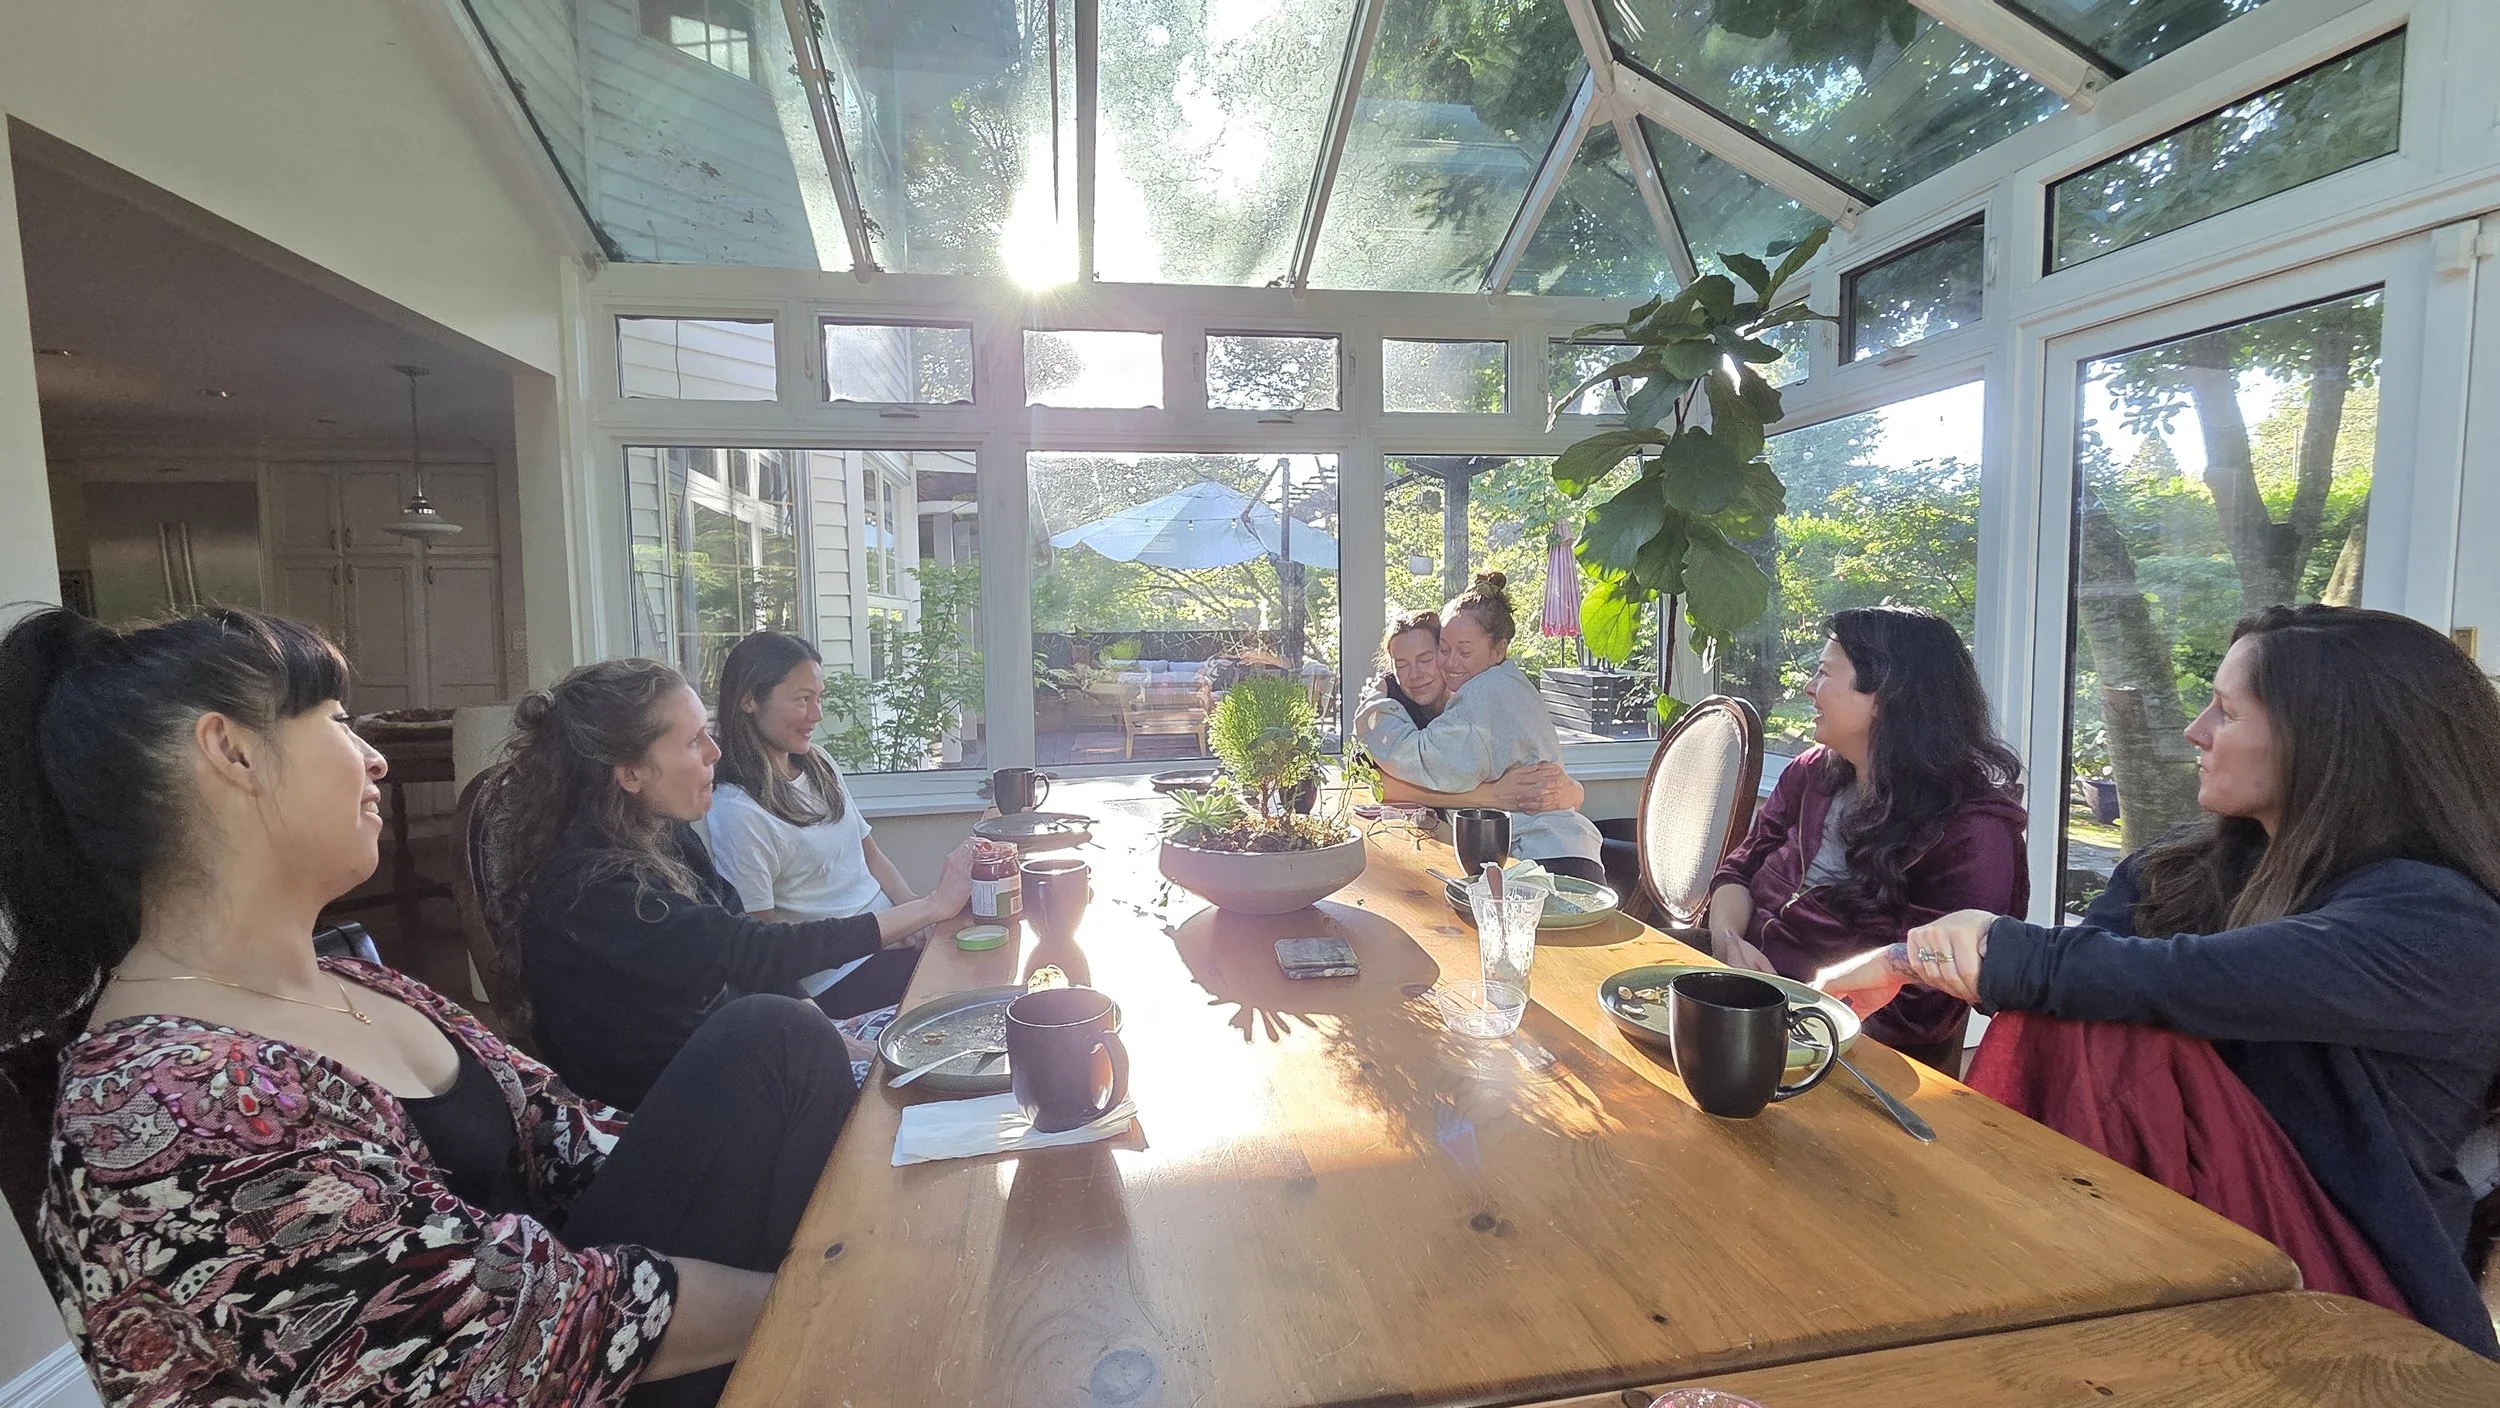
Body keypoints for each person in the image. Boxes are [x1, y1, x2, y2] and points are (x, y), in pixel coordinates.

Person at [2, 607, 839, 1408]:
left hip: (583, 1319)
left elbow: (573, 1140)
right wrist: (822, 1294)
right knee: (775, 1043)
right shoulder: (167, 1098)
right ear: (232, 752)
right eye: (334, 720)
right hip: (537, 1368)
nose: (373, 759)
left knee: (777, 1048)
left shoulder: (360, 985)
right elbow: (496, 1348)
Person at [1821, 604, 2500, 1356]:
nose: (2196, 730)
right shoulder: (2185, 865)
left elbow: (2193, 981)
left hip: (2348, 1278)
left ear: (2335, 742)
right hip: (2161, 1230)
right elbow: (2100, 969)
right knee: (2074, 1003)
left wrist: (1920, 956)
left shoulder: (2441, 921)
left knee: (2090, 1028)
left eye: (2228, 710)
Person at [484, 657, 976, 1111]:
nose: (715, 751)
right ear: (630, 772)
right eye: (693, 741)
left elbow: (745, 948)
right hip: (676, 1109)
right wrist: (933, 906)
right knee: (930, 1091)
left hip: (740, 1053)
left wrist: (837, 1039)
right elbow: (752, 948)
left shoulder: (662, 831)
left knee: (956, 1035)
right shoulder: (589, 890)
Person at [1705, 607, 2026, 1068]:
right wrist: (1726, 938)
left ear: (1884, 697)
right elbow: (1740, 867)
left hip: (1847, 1051)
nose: (1808, 688)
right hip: (1742, 997)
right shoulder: (1810, 773)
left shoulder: (1971, 833)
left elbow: (1924, 1009)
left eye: (1823, 673)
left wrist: (1786, 1012)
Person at [1355, 573, 1605, 883]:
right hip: (1555, 849)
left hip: (1545, 858)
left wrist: (1372, 708)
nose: (1450, 662)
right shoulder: (1507, 684)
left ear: (1498, 650)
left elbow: (1415, 757)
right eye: (1445, 649)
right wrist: (1493, 796)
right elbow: (1380, 784)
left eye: (1464, 651)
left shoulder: (1484, 693)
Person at [705, 632, 933, 928]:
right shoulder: (738, 812)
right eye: (803, 700)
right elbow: (764, 943)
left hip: (891, 929)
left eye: (818, 698)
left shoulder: (820, 762)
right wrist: (891, 933)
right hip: (846, 965)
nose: (817, 714)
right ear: (749, 700)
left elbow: (871, 856)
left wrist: (920, 917)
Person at [1368, 607, 1583, 817]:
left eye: (1426, 659)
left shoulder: (1482, 703)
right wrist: (1491, 796)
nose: (1415, 674)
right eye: (1402, 665)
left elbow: (1558, 786)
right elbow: (1377, 782)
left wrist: (1571, 789)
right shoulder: (1389, 708)